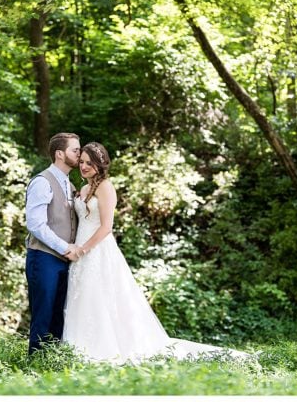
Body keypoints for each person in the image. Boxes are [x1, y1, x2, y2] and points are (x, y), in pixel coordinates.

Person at [61, 142, 249, 363]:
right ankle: (78, 346)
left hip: (97, 250)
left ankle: (103, 348)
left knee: (101, 296)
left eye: (89, 163)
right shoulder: (82, 189)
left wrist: (82, 249)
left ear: (100, 164)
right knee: (82, 296)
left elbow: (106, 227)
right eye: (81, 162)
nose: (83, 167)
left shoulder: (106, 187)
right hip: (80, 252)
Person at [24, 132, 83, 354]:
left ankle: (53, 365)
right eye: (74, 150)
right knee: (43, 314)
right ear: (60, 153)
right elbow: (36, 225)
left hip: (64, 261)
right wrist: (65, 247)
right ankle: (35, 365)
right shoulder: (42, 182)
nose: (79, 154)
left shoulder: (69, 184)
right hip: (43, 258)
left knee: (60, 314)